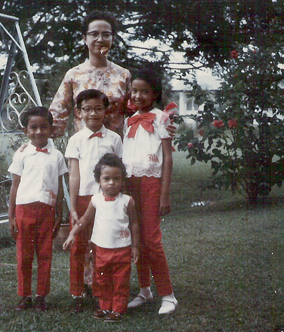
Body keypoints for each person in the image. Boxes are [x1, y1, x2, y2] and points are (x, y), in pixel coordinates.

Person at [123, 68, 178, 314]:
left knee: (152, 241)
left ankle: (168, 295)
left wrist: (164, 194)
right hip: (130, 184)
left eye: (144, 91)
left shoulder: (161, 118)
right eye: (134, 91)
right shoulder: (129, 120)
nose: (138, 95)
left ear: (155, 93)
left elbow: (167, 157)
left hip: (151, 183)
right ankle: (144, 290)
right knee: (137, 239)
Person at [64, 89, 123, 312]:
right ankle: (78, 291)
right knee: (78, 246)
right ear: (79, 112)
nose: (93, 114)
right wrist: (72, 206)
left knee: (102, 246)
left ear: (105, 111)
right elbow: (74, 174)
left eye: (98, 108)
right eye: (87, 109)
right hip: (81, 199)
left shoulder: (115, 139)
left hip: (106, 200)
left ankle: (101, 291)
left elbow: (118, 173)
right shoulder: (75, 140)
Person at [63, 153, 139, 323]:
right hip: (101, 250)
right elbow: (83, 220)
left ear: (122, 180)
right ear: (99, 180)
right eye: (106, 178)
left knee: (120, 280)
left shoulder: (127, 201)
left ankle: (118, 308)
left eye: (116, 178)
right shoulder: (96, 200)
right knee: (102, 279)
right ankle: (105, 306)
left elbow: (134, 224)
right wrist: (72, 233)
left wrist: (135, 246)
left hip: (122, 249)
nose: (111, 182)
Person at [7, 106, 68, 312]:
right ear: (26, 131)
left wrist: (60, 213)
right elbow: (15, 186)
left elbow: (59, 187)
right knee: (24, 256)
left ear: (51, 129)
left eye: (44, 127)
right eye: (33, 127)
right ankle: (24, 296)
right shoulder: (21, 154)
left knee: (44, 255)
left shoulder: (57, 156)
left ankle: (41, 295)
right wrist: (11, 217)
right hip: (24, 210)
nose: (39, 132)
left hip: (47, 211)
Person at [49, 10, 131, 137]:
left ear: (112, 38)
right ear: (85, 39)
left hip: (116, 151)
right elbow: (57, 117)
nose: (100, 39)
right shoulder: (73, 75)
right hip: (83, 152)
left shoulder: (123, 75)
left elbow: (138, 115)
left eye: (106, 34)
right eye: (94, 34)